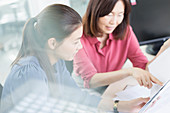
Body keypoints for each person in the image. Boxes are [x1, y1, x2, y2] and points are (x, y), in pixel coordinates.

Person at [0, 3, 151, 113]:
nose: (80, 47)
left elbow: (77, 97)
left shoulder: (56, 63)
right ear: (52, 43)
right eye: (75, 41)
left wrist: (119, 106)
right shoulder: (29, 72)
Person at [73, 0, 163, 97]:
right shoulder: (77, 36)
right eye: (109, 14)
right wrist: (129, 71)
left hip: (111, 86)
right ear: (95, 12)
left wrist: (164, 48)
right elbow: (90, 80)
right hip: (83, 90)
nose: (114, 22)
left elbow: (142, 65)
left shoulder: (125, 31)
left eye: (120, 15)